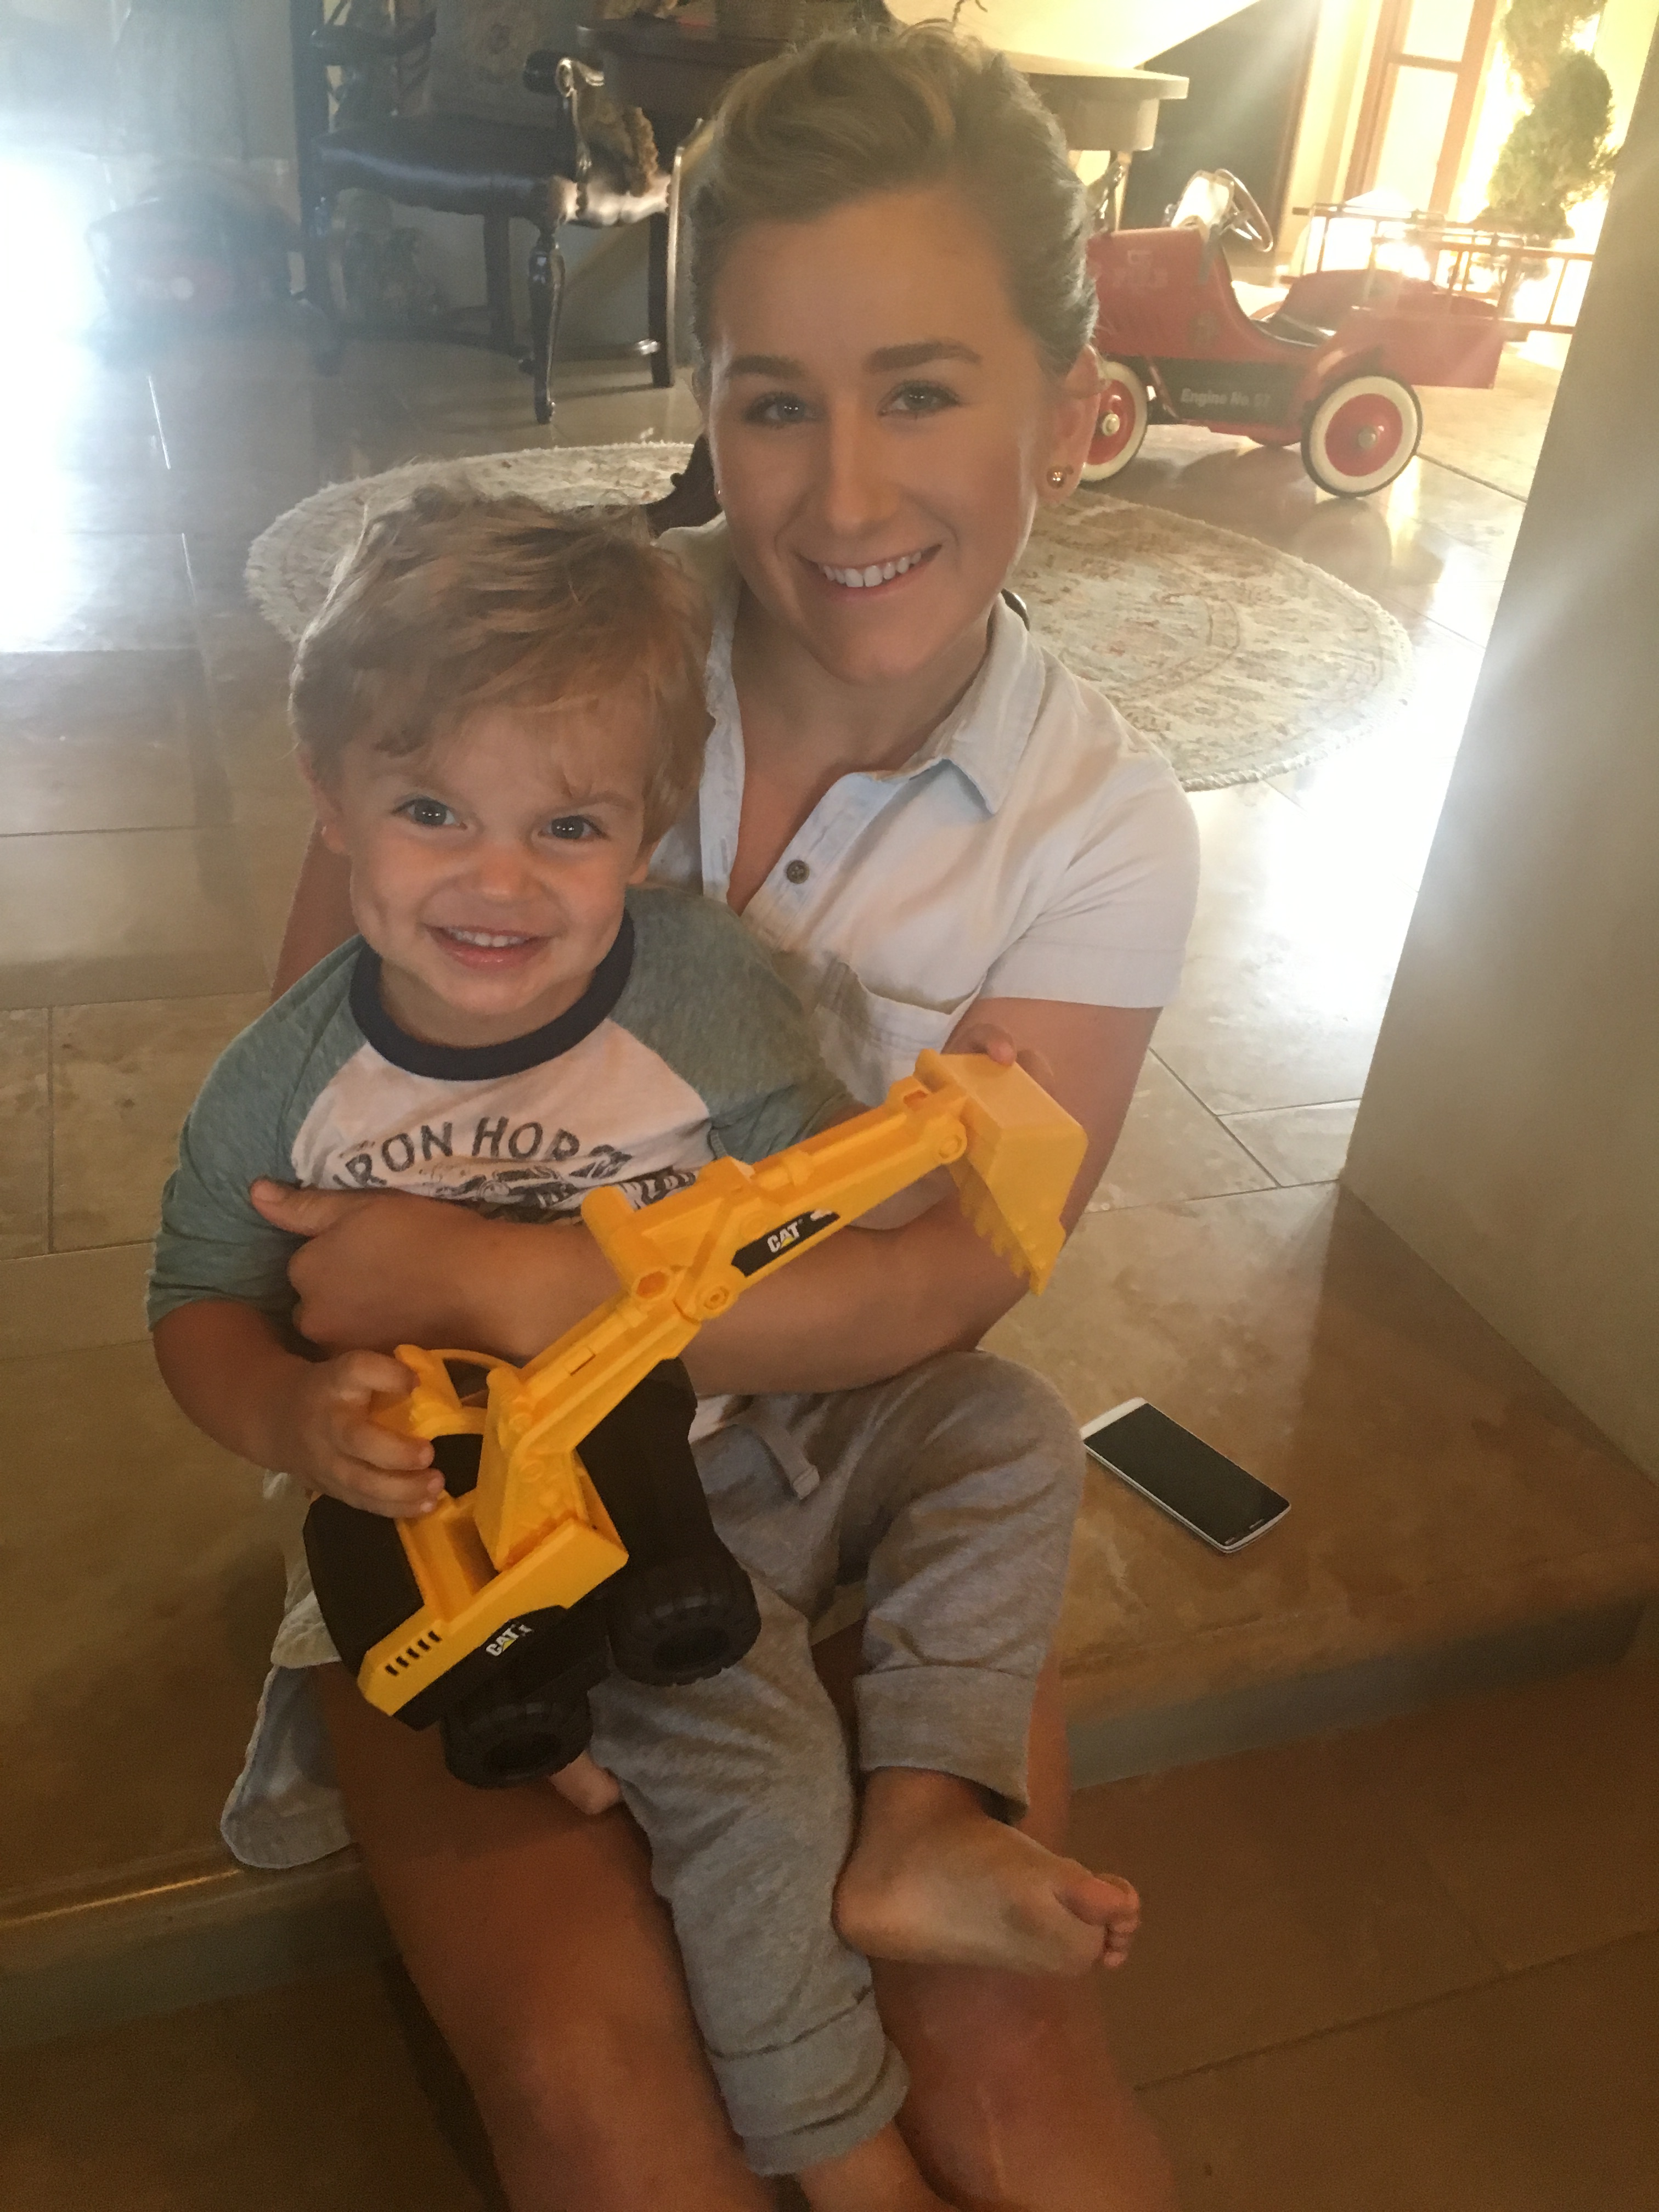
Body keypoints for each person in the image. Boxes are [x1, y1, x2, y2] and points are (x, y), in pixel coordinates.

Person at [252, 27, 1200, 2212]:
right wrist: (452, 1366)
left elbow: (957, 1275)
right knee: (617, 2116)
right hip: (485, 1491)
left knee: (1011, 2065)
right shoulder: (496, 680)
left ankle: (897, 1836)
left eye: (923, 391)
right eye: (777, 401)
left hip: (837, 1481)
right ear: (702, 402)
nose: (846, 498)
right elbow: (307, 1150)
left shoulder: (1104, 830)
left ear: (1073, 407)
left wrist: (532, 1272)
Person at [150, 488, 1143, 2209]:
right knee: (760, 1776)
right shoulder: (289, 1085)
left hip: (766, 1426)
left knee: (1009, 1427)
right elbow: (198, 1304)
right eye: (431, 812)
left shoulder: (707, 997)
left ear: (646, 825)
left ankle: (926, 1815)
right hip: (567, 1528)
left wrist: (895, 1163)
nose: (497, 880)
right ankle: (843, 2153)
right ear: (331, 800)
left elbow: (812, 1221)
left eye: (568, 826)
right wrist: (295, 1413)